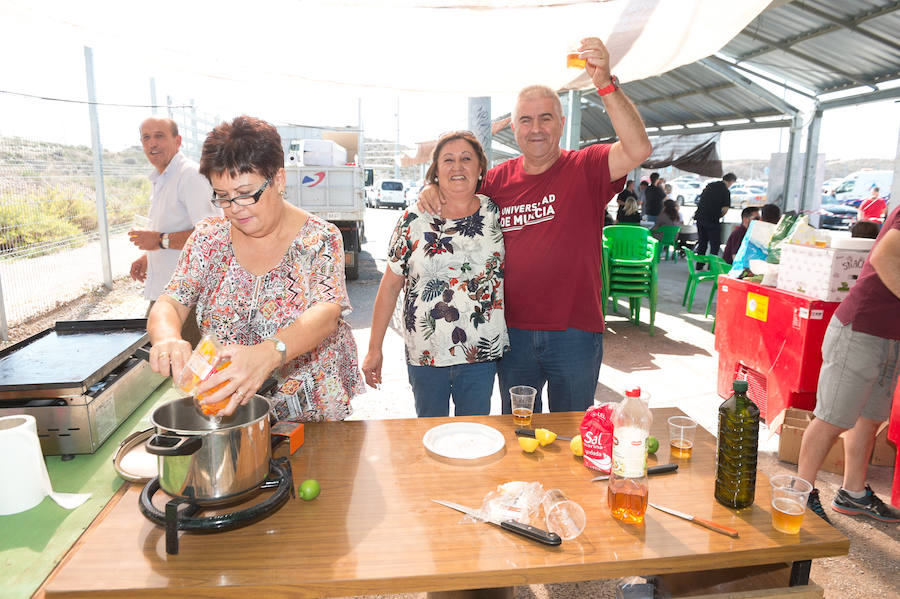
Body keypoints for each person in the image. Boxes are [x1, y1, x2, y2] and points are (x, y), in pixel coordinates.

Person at [419, 37, 652, 414]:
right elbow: (456, 191)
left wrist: (605, 83)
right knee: (519, 431)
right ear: (513, 127)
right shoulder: (495, 180)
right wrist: (431, 189)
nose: (536, 128)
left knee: (571, 432)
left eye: (546, 118)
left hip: (574, 332)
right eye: (526, 119)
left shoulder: (586, 167)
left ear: (561, 123)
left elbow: (639, 149)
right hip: (512, 333)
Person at [146, 115, 364, 422]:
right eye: (223, 197)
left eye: (246, 193)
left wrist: (268, 353)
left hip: (310, 408)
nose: (235, 208)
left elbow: (327, 313)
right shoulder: (210, 238)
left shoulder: (318, 239)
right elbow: (170, 301)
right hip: (231, 408)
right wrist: (167, 336)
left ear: (278, 179)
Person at [362, 132, 507, 417]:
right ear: (435, 172)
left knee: (474, 436)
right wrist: (373, 349)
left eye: (466, 159)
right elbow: (390, 287)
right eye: (448, 160)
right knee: (430, 435)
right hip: (425, 354)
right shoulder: (413, 220)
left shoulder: (494, 211)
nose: (457, 167)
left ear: (480, 169)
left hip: (480, 353)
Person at [798, 203, 900, 524]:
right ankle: (801, 493)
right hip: (861, 327)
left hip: (891, 336)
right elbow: (885, 257)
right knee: (832, 418)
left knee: (869, 419)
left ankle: (852, 493)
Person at [129, 117, 220, 347]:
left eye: (159, 136)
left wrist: (160, 241)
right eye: (146, 137)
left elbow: (212, 234)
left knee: (188, 371)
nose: (152, 144)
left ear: (177, 141)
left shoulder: (190, 175)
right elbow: (175, 228)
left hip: (188, 301)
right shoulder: (162, 177)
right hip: (168, 294)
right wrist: (149, 256)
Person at [694, 173, 737, 263]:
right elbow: (725, 209)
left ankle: (699, 265)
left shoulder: (709, 186)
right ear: (731, 182)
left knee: (702, 243)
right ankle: (712, 266)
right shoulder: (725, 191)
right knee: (714, 245)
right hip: (712, 220)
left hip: (700, 218)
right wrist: (718, 215)